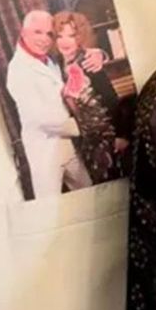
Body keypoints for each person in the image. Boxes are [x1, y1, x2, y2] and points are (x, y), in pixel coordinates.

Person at [6, 9, 86, 198]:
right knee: (50, 204)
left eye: (50, 34)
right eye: (37, 32)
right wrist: (84, 126)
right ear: (23, 33)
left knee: (90, 193)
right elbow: (40, 119)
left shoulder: (50, 60)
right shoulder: (18, 70)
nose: (44, 39)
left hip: (67, 147)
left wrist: (100, 54)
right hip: (44, 152)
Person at [52, 10, 132, 185]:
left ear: (80, 37)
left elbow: (111, 99)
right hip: (86, 139)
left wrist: (120, 135)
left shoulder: (88, 62)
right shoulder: (57, 65)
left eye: (72, 36)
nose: (65, 41)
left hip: (106, 134)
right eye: (60, 36)